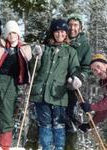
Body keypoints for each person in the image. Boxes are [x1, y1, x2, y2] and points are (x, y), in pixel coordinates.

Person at [0, 20, 32, 150]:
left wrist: (37, 56)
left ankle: (5, 144)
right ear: (6, 35)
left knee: (6, 113)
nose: (12, 35)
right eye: (9, 33)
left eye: (14, 33)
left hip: (11, 83)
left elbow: (32, 64)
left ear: (18, 34)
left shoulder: (25, 48)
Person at [30, 18, 82, 150]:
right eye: (57, 31)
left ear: (66, 33)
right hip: (41, 93)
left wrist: (75, 78)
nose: (60, 34)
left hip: (58, 94)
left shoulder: (71, 51)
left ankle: (59, 148)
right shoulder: (44, 49)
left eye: (63, 32)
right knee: (44, 123)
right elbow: (34, 69)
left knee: (59, 124)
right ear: (52, 32)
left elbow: (75, 69)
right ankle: (46, 147)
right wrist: (36, 57)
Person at [65, 14, 92, 150]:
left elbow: (87, 67)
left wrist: (79, 78)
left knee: (70, 117)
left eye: (75, 25)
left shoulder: (84, 45)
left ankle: (69, 147)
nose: (72, 28)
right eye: (70, 25)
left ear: (80, 28)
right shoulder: (61, 39)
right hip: (56, 84)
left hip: (72, 86)